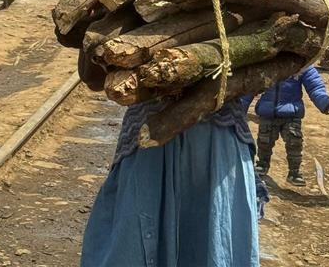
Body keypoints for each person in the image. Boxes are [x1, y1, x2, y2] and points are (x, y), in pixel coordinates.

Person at [78, 56, 260, 266]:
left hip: (154, 138)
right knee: (216, 240)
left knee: (135, 238)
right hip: (215, 139)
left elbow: (92, 77)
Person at [245, 67, 329, 186]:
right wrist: (240, 108)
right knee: (265, 141)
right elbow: (250, 88)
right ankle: (262, 164)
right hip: (267, 112)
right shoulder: (267, 64)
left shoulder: (302, 65)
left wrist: (325, 103)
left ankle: (294, 172)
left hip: (291, 113)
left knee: (294, 143)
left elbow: (315, 87)